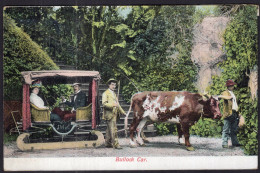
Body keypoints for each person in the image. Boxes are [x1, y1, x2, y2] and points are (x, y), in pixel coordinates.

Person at [102, 79, 126, 149]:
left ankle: (107, 143)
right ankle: (116, 144)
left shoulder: (114, 94)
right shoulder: (105, 93)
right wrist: (113, 104)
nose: (114, 86)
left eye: (115, 85)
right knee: (114, 129)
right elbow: (104, 104)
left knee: (109, 130)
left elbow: (117, 104)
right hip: (109, 114)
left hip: (115, 114)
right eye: (112, 84)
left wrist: (123, 112)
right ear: (109, 85)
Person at [218, 79, 242, 148]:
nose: (232, 87)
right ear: (228, 86)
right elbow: (221, 97)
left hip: (234, 112)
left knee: (234, 129)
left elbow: (235, 104)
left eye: (232, 85)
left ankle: (235, 142)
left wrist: (238, 112)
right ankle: (224, 143)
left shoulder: (233, 93)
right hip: (228, 113)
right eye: (231, 86)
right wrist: (229, 97)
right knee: (226, 129)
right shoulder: (225, 92)